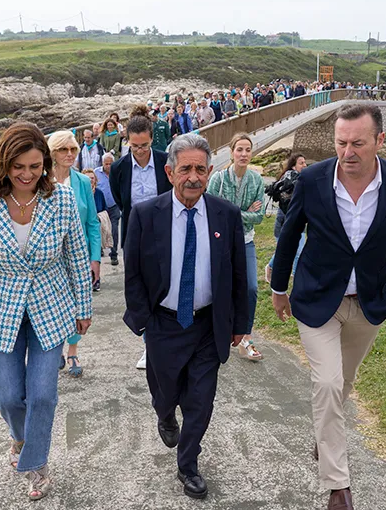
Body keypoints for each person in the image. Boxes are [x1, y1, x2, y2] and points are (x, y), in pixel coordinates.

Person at [270, 103, 386, 510]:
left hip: (369, 303)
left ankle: (324, 436)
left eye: (357, 143)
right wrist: (279, 287)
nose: (348, 152)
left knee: (344, 382)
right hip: (318, 299)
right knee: (328, 383)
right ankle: (338, 485)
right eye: (340, 143)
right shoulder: (313, 179)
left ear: (379, 141)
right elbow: (289, 235)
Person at [0, 123, 92, 501]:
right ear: (4, 163)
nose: (28, 175)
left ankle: (36, 464)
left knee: (43, 394)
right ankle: (20, 438)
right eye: (19, 167)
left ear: (45, 163)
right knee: (10, 396)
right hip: (0, 308)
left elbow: (76, 256)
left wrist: (83, 306)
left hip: (51, 306)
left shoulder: (61, 199)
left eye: (35, 166)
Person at [123, 133, 248, 500]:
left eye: (200, 169)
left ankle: (188, 464)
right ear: (169, 171)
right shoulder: (146, 214)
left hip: (209, 324)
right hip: (163, 322)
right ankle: (164, 414)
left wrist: (240, 324)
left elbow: (239, 274)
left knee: (201, 399)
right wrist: (143, 319)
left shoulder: (226, 214)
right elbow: (133, 273)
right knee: (165, 391)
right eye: (185, 169)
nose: (193, 176)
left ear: (209, 171)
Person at [109, 104, 173, 369]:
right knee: (140, 289)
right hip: (135, 231)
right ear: (127, 142)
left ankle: (169, 338)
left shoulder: (164, 162)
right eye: (135, 146)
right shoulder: (119, 168)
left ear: (151, 139)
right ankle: (149, 344)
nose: (140, 151)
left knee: (167, 285)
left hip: (165, 229)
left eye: (144, 145)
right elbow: (119, 199)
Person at [206, 133, 266, 361]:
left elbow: (259, 217)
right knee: (218, 289)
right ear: (231, 152)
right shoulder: (218, 179)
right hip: (221, 243)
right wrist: (243, 212)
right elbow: (211, 211)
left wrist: (231, 212)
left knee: (250, 288)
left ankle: (245, 338)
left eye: (247, 150)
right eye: (239, 149)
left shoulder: (256, 180)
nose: (243, 154)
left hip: (246, 241)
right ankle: (213, 333)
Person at [48, 130, 102, 376]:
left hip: (77, 256)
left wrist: (95, 258)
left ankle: (72, 352)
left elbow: (92, 221)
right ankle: (54, 349)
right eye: (63, 150)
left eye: (73, 150)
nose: (69, 154)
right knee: (52, 305)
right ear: (53, 153)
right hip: (48, 257)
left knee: (77, 305)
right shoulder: (42, 181)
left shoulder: (81, 181)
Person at [265, 153, 308, 282]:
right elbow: (287, 203)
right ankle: (273, 268)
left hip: (297, 223)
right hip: (285, 223)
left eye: (305, 162)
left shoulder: (302, 179)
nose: (305, 165)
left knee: (295, 251)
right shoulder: (289, 180)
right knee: (291, 251)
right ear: (293, 166)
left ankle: (296, 278)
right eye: (301, 163)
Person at [83, 168, 113, 276]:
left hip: (96, 226)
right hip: (83, 227)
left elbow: (104, 208)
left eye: (92, 178)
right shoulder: (79, 192)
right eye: (87, 178)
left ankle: (96, 278)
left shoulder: (99, 193)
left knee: (95, 255)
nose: (90, 180)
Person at [94, 153, 121, 265]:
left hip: (114, 206)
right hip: (100, 208)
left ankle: (113, 254)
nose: (108, 166)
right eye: (106, 164)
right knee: (99, 229)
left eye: (110, 164)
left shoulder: (118, 172)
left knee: (114, 230)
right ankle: (98, 250)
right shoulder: (96, 173)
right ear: (102, 163)